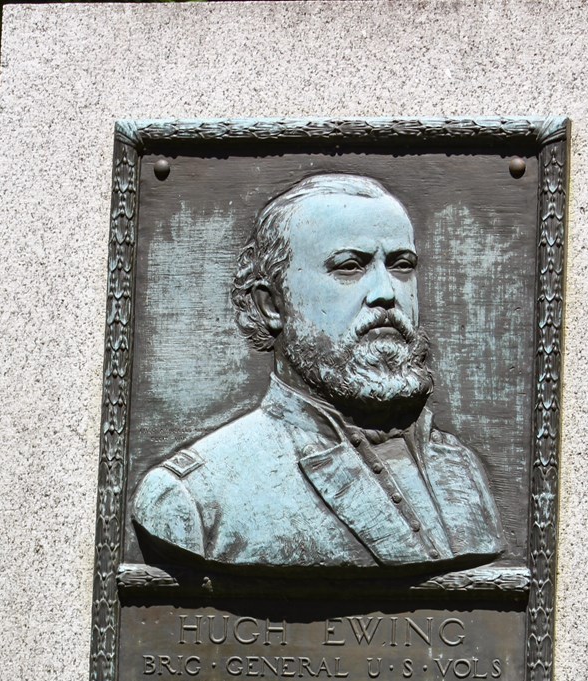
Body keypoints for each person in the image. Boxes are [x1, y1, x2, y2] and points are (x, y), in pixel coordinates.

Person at [132, 173, 502, 574]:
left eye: (401, 265)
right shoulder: (194, 498)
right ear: (272, 304)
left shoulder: (460, 466)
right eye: (349, 267)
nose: (386, 292)